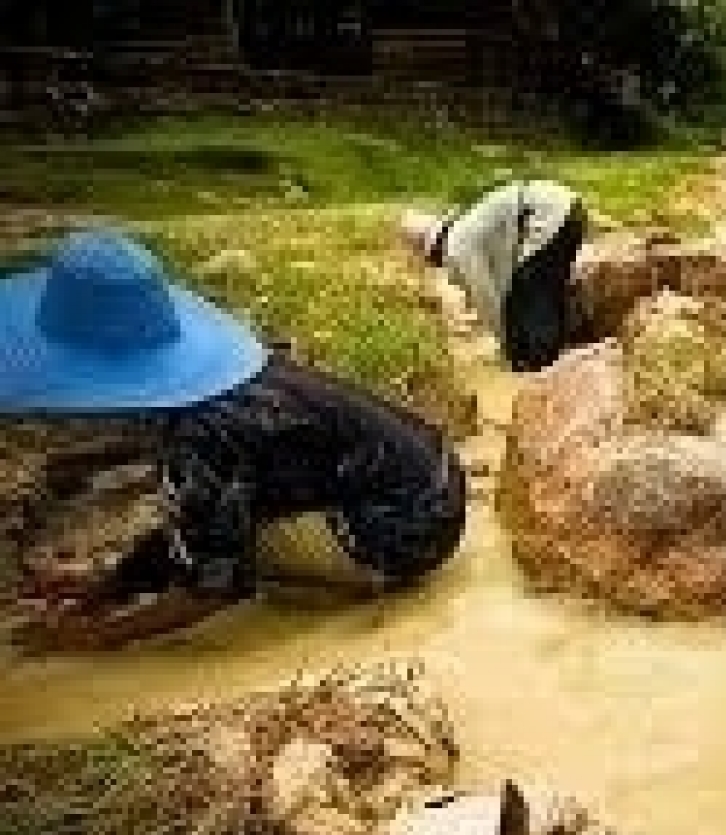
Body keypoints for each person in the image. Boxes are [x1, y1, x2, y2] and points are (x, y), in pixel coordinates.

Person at [0, 230, 467, 651]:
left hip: (413, 527)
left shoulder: (201, 430)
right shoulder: (221, 388)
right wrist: (111, 584)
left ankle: (358, 572)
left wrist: (99, 636)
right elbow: (200, 519)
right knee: (206, 518)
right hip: (434, 478)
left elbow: (214, 583)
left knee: (221, 543)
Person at [400, 179, 587, 373]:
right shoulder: (468, 230)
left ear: (434, 250)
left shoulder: (456, 247)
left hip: (551, 218)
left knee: (531, 290)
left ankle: (542, 365)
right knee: (546, 289)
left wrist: (508, 346)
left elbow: (487, 298)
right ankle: (560, 353)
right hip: (570, 209)